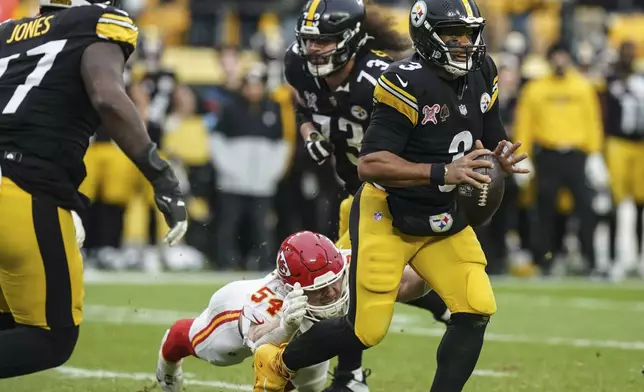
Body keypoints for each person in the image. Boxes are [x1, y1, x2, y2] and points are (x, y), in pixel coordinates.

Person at [252, 1, 530, 392]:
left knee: (475, 306)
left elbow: (489, 127)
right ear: (427, 35)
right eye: (453, 34)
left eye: (469, 34)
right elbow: (371, 164)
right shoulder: (402, 80)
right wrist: (442, 171)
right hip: (387, 210)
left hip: (442, 212)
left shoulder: (483, 70)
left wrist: (499, 152)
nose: (464, 43)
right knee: (365, 329)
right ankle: (278, 362)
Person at [0, 0, 187, 378]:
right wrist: (161, 175)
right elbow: (107, 97)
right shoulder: (97, 22)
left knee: (7, 323)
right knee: (50, 338)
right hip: (24, 188)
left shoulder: (7, 33)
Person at [283, 0, 450, 388]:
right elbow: (302, 102)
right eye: (309, 41)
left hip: (391, 192)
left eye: (324, 42)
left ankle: (349, 376)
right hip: (353, 191)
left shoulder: (380, 80)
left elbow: (426, 132)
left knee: (341, 282)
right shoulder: (297, 65)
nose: (313, 50)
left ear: (352, 39)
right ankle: (432, 301)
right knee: (361, 279)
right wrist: (309, 132)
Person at [155, 231, 429, 392]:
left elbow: (408, 282)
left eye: (334, 282)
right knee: (215, 353)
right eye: (320, 290)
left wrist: (436, 272)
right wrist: (285, 326)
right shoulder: (269, 301)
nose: (332, 293)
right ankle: (169, 353)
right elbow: (256, 343)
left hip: (309, 330)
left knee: (311, 385)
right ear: (292, 286)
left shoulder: (349, 264)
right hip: (237, 312)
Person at [514, 41, 607, 276]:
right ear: (550, 59)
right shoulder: (536, 89)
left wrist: (596, 153)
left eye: (564, 56)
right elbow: (525, 124)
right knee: (544, 212)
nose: (560, 61)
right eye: (556, 56)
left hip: (576, 156)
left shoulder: (583, 87)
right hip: (548, 155)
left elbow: (592, 121)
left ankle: (591, 261)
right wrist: (522, 156)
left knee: (586, 209)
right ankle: (545, 260)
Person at [603, 41, 644, 279]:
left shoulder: (639, 79)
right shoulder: (609, 79)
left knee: (640, 204)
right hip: (617, 143)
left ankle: (639, 257)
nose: (628, 56)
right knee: (613, 203)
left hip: (640, 144)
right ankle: (612, 258)